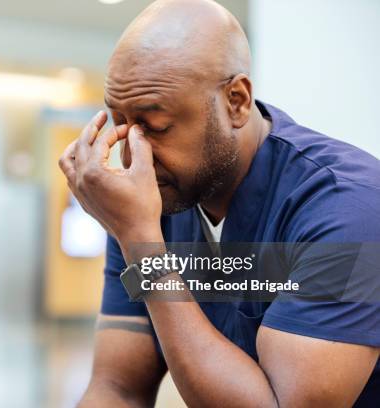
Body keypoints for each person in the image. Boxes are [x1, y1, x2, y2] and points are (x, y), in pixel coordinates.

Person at [57, 0, 380, 406]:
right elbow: (118, 387)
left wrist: (143, 247)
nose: (132, 155)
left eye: (156, 127)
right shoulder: (149, 202)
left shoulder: (349, 210)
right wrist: (137, 236)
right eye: (121, 125)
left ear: (237, 101)